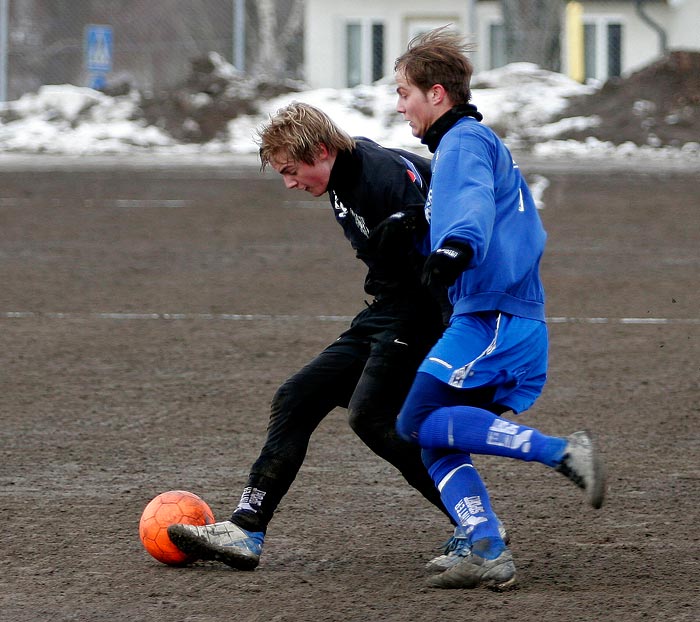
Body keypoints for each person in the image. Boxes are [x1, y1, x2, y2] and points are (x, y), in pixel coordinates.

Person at [167, 102, 454, 570]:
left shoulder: (381, 171)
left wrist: (451, 316)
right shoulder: (343, 182)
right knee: (296, 396)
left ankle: (475, 524)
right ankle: (246, 528)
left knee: (372, 419)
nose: (289, 182)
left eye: (291, 169)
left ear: (320, 150)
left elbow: (452, 206)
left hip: (421, 317)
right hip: (386, 314)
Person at [392, 27, 606, 590]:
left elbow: (471, 210)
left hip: (494, 320)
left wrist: (454, 246)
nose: (400, 106)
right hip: (500, 318)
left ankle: (561, 451)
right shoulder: (468, 145)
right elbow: (475, 202)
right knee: (434, 439)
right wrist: (419, 228)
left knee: (413, 420)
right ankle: (486, 547)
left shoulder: (462, 140)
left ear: (436, 94)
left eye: (404, 93)